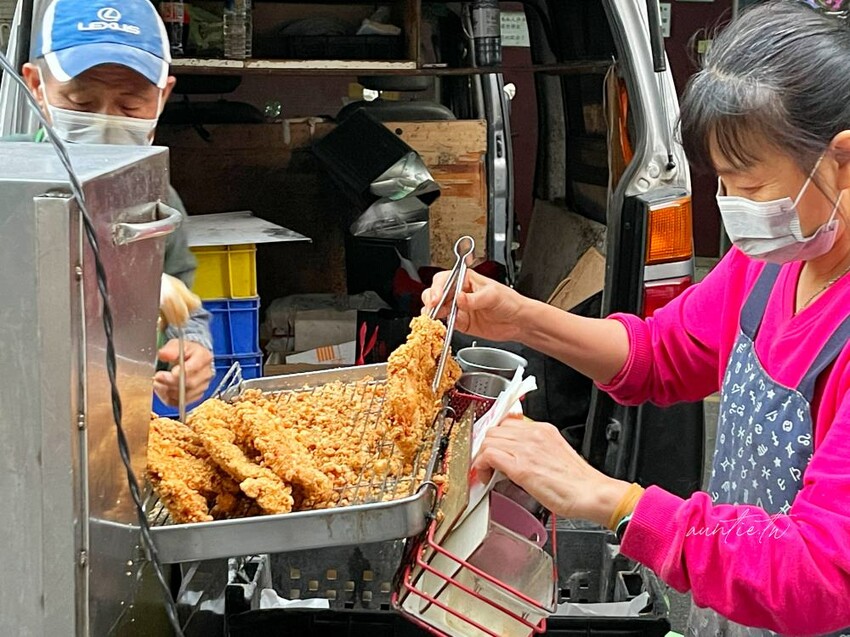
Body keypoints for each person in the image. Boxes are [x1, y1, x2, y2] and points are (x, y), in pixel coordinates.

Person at [424, 3, 850, 635]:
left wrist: (610, 499)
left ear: (843, 158)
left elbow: (818, 571)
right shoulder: (770, 264)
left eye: (752, 187)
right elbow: (659, 353)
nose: (731, 206)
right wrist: (520, 318)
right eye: (723, 183)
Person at [9, 0, 214, 406]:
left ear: (162, 96)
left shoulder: (155, 204)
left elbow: (181, 303)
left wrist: (190, 350)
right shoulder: (7, 181)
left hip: (110, 415)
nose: (105, 123)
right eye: (81, 103)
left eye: (130, 105)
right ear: (36, 87)